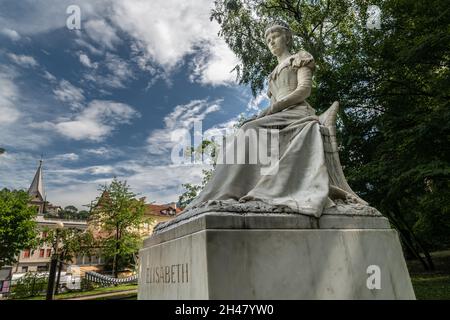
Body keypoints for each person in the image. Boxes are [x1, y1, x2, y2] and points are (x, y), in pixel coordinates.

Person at [184, 21, 335, 218]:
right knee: (245, 130)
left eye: (276, 37)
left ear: (287, 38)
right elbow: (273, 104)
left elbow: (304, 90)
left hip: (298, 112)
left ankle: (233, 191)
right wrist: (267, 111)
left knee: (250, 129)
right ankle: (223, 191)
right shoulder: (272, 75)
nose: (271, 42)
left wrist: (274, 108)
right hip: (281, 114)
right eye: (268, 39)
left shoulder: (299, 58)